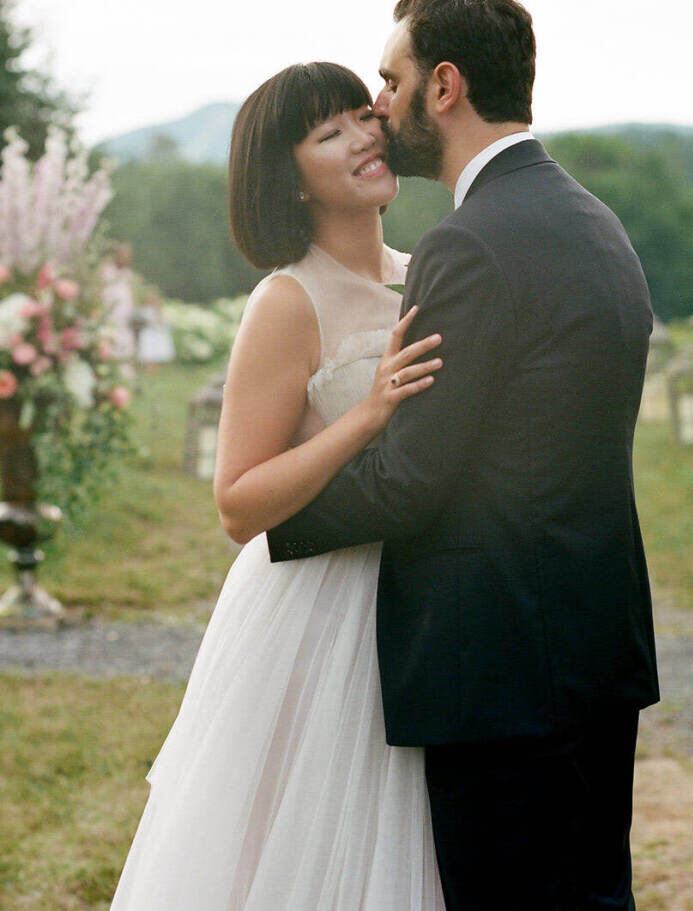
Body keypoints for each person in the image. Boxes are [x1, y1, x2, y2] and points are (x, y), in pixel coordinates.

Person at [267, 0, 660, 909]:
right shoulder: (594, 222)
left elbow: (413, 476)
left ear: (443, 87)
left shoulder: (468, 245)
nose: (379, 104)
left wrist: (269, 516)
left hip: (500, 663)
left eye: (391, 78)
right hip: (591, 643)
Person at [111, 62, 446, 909]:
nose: (365, 137)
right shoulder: (286, 302)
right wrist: (364, 415)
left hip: (427, 598)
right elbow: (237, 502)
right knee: (293, 846)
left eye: (359, 117)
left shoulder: (426, 275)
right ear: (290, 183)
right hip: (317, 608)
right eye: (329, 134)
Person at [135, 292, 176, 373]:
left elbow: (162, 321)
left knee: (155, 351)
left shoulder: (158, 310)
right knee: (147, 350)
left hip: (155, 332)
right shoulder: (143, 310)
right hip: (147, 332)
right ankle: (149, 368)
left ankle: (155, 369)